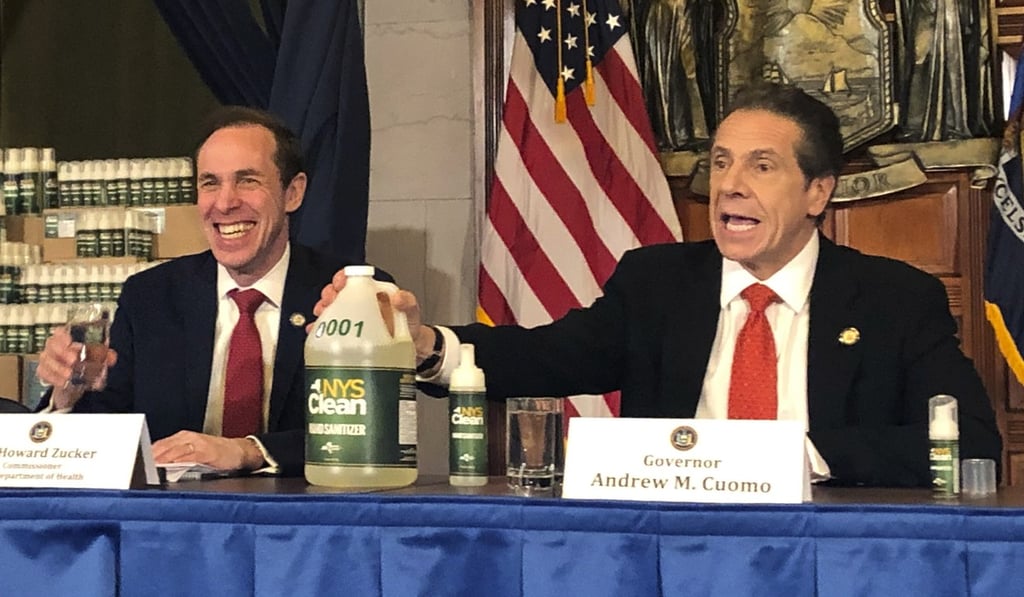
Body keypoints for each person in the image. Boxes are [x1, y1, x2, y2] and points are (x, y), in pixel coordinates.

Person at [315, 82, 1002, 487]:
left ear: (818, 191)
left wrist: (795, 456)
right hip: (672, 549)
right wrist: (428, 345)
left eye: (761, 166)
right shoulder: (659, 283)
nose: (730, 185)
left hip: (824, 551)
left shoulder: (893, 299)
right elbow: (545, 355)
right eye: (722, 162)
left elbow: (971, 442)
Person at [37, 106, 389, 476]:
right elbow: (105, 435)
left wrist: (250, 451)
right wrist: (68, 393)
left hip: (308, 509)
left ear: (293, 193)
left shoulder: (349, 295)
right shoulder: (150, 297)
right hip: (174, 510)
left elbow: (372, 429)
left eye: (247, 181)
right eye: (210, 183)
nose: (224, 203)